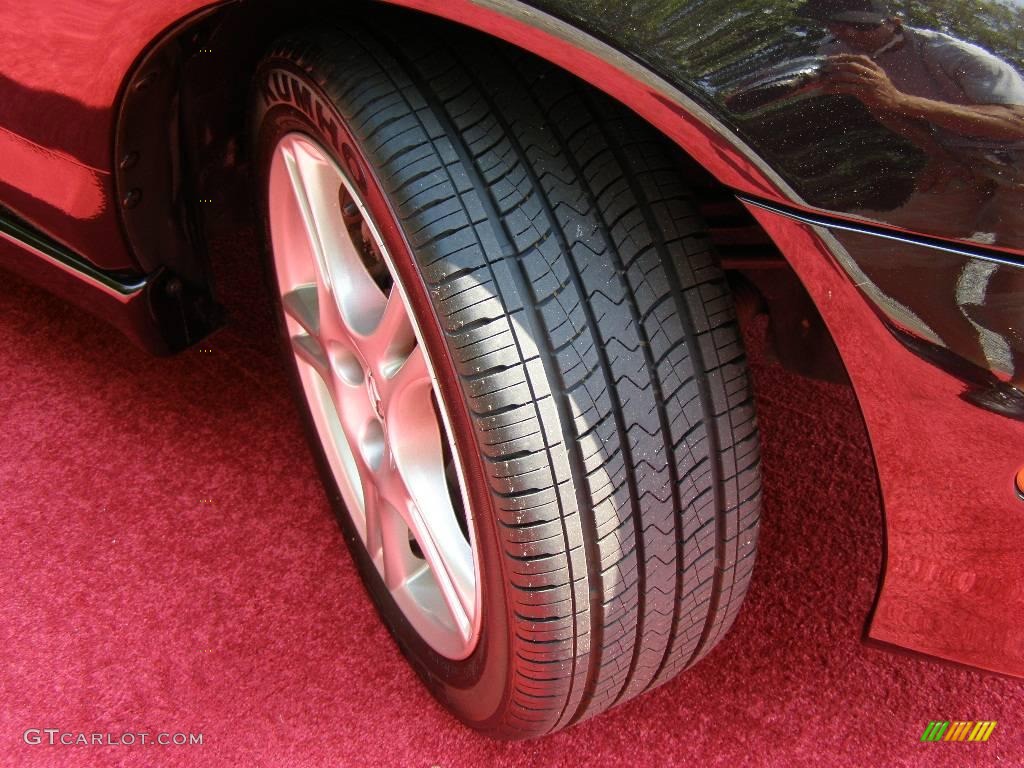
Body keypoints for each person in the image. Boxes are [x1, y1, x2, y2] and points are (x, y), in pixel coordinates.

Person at [796, 0, 1024, 418]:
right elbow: (881, 108)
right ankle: (967, 358)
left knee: (1011, 287)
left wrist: (900, 100)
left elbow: (1018, 120)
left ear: (895, 22)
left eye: (862, 27)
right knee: (896, 257)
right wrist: (940, 153)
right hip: (969, 159)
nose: (849, 35)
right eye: (837, 25)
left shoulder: (952, 55)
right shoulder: (839, 52)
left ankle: (1023, 387)